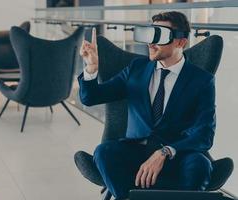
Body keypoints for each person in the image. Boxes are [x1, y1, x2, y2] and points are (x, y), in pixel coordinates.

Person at [78, 11, 215, 200]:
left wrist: (165, 152)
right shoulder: (136, 69)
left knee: (200, 165)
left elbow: (205, 135)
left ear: (181, 42)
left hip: (177, 154)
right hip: (135, 150)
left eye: (159, 36)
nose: (151, 43)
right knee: (103, 152)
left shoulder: (201, 80)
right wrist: (91, 68)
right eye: (150, 34)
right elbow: (90, 98)